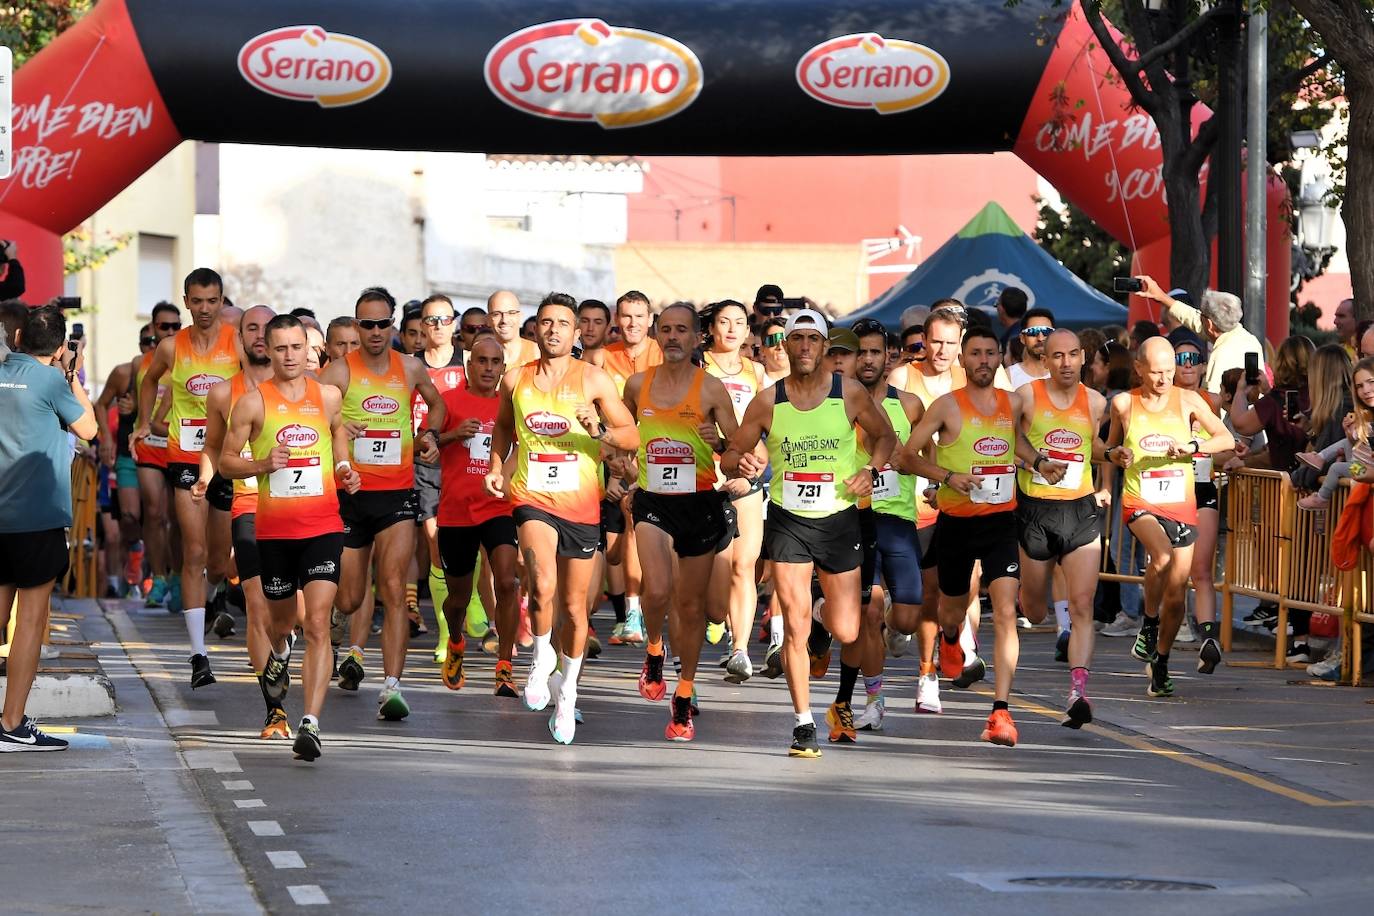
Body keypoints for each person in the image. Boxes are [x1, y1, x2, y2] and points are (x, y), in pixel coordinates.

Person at [722, 309, 895, 757]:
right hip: (788, 520)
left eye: (811, 340)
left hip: (839, 521)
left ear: (822, 347)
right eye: (795, 339)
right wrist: (740, 462)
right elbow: (731, 454)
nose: (803, 347)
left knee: (847, 627)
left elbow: (886, 437)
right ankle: (803, 723)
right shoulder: (767, 400)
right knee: (793, 629)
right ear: (786, 346)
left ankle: (823, 615)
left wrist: (870, 471)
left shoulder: (850, 393)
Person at [485, 292, 639, 744]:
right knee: (541, 582)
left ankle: (567, 690)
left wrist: (598, 430)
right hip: (532, 498)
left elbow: (630, 435)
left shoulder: (594, 379)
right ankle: (538, 661)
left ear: (576, 334)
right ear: (536, 329)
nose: (553, 330)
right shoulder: (516, 380)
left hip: (582, 506)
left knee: (575, 609)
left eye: (563, 324)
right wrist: (497, 467)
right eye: (546, 323)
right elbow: (503, 428)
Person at [896, 326, 1045, 747]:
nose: (982, 360)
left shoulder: (1012, 403)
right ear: (963, 360)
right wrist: (947, 476)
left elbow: (1017, 444)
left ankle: (1001, 711)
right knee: (951, 609)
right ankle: (948, 638)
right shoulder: (945, 406)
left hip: (1001, 522)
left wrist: (1040, 462)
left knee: (1004, 612)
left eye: (989, 353)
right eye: (975, 353)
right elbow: (907, 456)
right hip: (957, 523)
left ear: (1000, 358)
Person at [220, 315, 360, 761]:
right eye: (279, 349)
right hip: (274, 531)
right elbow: (225, 463)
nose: (288, 356)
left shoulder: (329, 396)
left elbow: (337, 433)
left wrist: (343, 468)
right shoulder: (252, 403)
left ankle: (311, 723)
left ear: (309, 349)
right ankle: (280, 651)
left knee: (318, 622)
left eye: (296, 348)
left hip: (321, 525)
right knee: (281, 624)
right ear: (271, 351)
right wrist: (262, 465)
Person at [317, 287, 445, 721]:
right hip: (351, 498)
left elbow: (437, 404)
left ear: (393, 324)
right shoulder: (337, 372)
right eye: (366, 324)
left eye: (382, 323)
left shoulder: (408, 368)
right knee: (351, 599)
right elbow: (302, 413)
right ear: (356, 326)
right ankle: (340, 623)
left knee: (392, 589)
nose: (374, 332)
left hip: (396, 495)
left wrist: (429, 434)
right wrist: (336, 423)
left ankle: (391, 685)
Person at [622, 304, 739, 740]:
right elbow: (623, 435)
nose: (673, 337)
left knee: (691, 609)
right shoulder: (637, 385)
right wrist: (620, 465)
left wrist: (721, 442)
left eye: (681, 330)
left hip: (699, 503)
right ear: (656, 335)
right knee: (656, 589)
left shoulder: (711, 390)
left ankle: (684, 696)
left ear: (696, 339)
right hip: (653, 500)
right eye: (666, 330)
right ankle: (654, 649)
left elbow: (737, 454)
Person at [1101, 337, 1233, 697]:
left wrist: (1193, 446)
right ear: (1139, 369)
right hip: (1139, 499)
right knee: (1159, 555)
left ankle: (1160, 659)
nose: (1163, 379)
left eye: (1169, 372)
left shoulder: (1188, 400)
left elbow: (1225, 439)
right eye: (1156, 372)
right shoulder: (1125, 404)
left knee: (1176, 595)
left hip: (1180, 503)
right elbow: (1107, 447)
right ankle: (1148, 624)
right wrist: (1117, 455)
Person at [132, 268, 243, 688]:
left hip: (227, 459)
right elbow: (148, 382)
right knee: (194, 552)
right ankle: (198, 655)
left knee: (217, 560)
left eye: (212, 301)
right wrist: (144, 422)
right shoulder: (170, 347)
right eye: (196, 301)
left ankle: (215, 598)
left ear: (220, 300)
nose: (204, 309)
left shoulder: (236, 341)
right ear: (186, 300)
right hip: (184, 458)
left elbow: (257, 385)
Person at [0, 304, 98, 750]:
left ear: (17, 338)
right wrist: (72, 374)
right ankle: (11, 723)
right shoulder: (53, 381)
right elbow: (91, 428)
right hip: (36, 518)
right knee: (30, 621)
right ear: (60, 347)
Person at [1011, 329, 1110, 726]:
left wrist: (1113, 454)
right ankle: (1027, 598)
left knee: (1083, 604)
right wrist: (1037, 462)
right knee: (1035, 613)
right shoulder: (1028, 396)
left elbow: (1092, 445)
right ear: (1046, 360)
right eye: (1057, 356)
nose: (1066, 363)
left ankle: (1078, 691)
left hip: (1080, 510)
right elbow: (1009, 435)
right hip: (1036, 510)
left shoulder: (1096, 401)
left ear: (1083, 357)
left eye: (1072, 355)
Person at [195, 305, 285, 736]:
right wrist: (202, 478)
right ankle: (275, 709)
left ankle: (281, 653)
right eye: (252, 328)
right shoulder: (221, 394)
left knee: (295, 613)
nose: (261, 335)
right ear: (240, 338)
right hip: (247, 503)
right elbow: (213, 447)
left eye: (269, 328)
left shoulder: (306, 391)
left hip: (300, 511)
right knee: (255, 602)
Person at [849, 318, 924, 732]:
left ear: (888, 356)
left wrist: (939, 480)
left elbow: (924, 453)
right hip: (857, 518)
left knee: (907, 619)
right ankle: (874, 699)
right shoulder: (838, 403)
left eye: (875, 351)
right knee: (869, 610)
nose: (868, 359)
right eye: (860, 352)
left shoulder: (909, 405)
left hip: (898, 520)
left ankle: (899, 625)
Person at [434, 334, 520, 695]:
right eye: (481, 361)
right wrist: (453, 434)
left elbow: (522, 446)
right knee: (458, 597)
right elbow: (425, 442)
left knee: (506, 581)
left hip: (498, 506)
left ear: (502, 368)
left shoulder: (510, 404)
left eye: (494, 362)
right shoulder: (450, 400)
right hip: (456, 510)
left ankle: (504, 665)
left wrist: (505, 474)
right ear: (469, 366)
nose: (488, 368)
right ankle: (455, 641)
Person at [702, 300, 768, 682]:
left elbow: (765, 426)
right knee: (717, 574)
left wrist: (753, 469)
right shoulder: (699, 368)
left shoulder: (756, 371)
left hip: (747, 477)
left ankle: (739, 649)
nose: (730, 328)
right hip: (706, 477)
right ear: (711, 328)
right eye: (723, 322)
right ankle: (716, 618)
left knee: (746, 565)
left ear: (748, 332)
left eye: (739, 323)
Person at [412, 294, 474, 659]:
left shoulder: (467, 362)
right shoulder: (410, 366)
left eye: (444, 319)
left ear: (454, 323)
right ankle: (444, 632)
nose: (437, 326)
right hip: (424, 465)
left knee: (469, 541)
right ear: (421, 324)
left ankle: (473, 604)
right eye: (430, 320)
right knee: (435, 544)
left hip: (463, 462)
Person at [1166, 327, 1231, 657]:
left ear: (1204, 366)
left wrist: (1218, 453)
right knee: (1169, 569)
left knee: (1202, 569)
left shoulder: (1212, 402)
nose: (1187, 365)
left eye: (1194, 359)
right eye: (1180, 359)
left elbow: (1223, 447)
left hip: (1202, 487)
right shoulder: (1161, 400)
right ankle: (1165, 626)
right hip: (1165, 490)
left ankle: (1209, 637)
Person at [93, 325, 152, 599]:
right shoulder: (124, 373)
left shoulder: (177, 372)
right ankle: (136, 552)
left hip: (164, 455)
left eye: (165, 333)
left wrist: (139, 409)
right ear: (139, 344)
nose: (153, 344)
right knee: (129, 516)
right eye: (147, 340)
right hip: (129, 455)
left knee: (158, 518)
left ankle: (154, 576)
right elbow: (100, 404)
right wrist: (105, 438)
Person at [131, 302, 181, 609]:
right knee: (154, 512)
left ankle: (176, 575)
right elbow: (130, 396)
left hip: (177, 444)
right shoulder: (140, 362)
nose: (171, 332)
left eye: (176, 327)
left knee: (178, 518)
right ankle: (158, 577)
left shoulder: (186, 360)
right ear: (153, 327)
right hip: (148, 443)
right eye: (165, 327)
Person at [1136, 277, 1264, 393]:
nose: (1197, 317)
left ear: (1208, 324)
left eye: (1201, 315)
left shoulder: (1221, 356)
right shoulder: (1248, 339)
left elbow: (1214, 402)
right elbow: (1192, 318)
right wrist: (1161, 296)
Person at [1227, 335, 1314, 473]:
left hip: (1282, 484)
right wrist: (1268, 391)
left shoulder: (1274, 400)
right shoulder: (1319, 395)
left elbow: (1241, 424)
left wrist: (1241, 390)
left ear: (1280, 362)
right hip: (1314, 480)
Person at [1006, 307, 1056, 389]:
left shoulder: (1063, 374)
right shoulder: (1008, 377)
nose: (1040, 338)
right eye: (1033, 332)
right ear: (1022, 338)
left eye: (1046, 331)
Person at [487, 289, 539, 368]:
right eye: (496, 314)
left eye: (511, 313)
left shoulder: (538, 353)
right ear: (488, 320)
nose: (504, 320)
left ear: (520, 316)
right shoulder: (479, 355)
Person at [757, 317, 789, 386]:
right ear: (762, 349)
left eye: (786, 341)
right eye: (773, 340)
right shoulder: (753, 383)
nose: (780, 346)